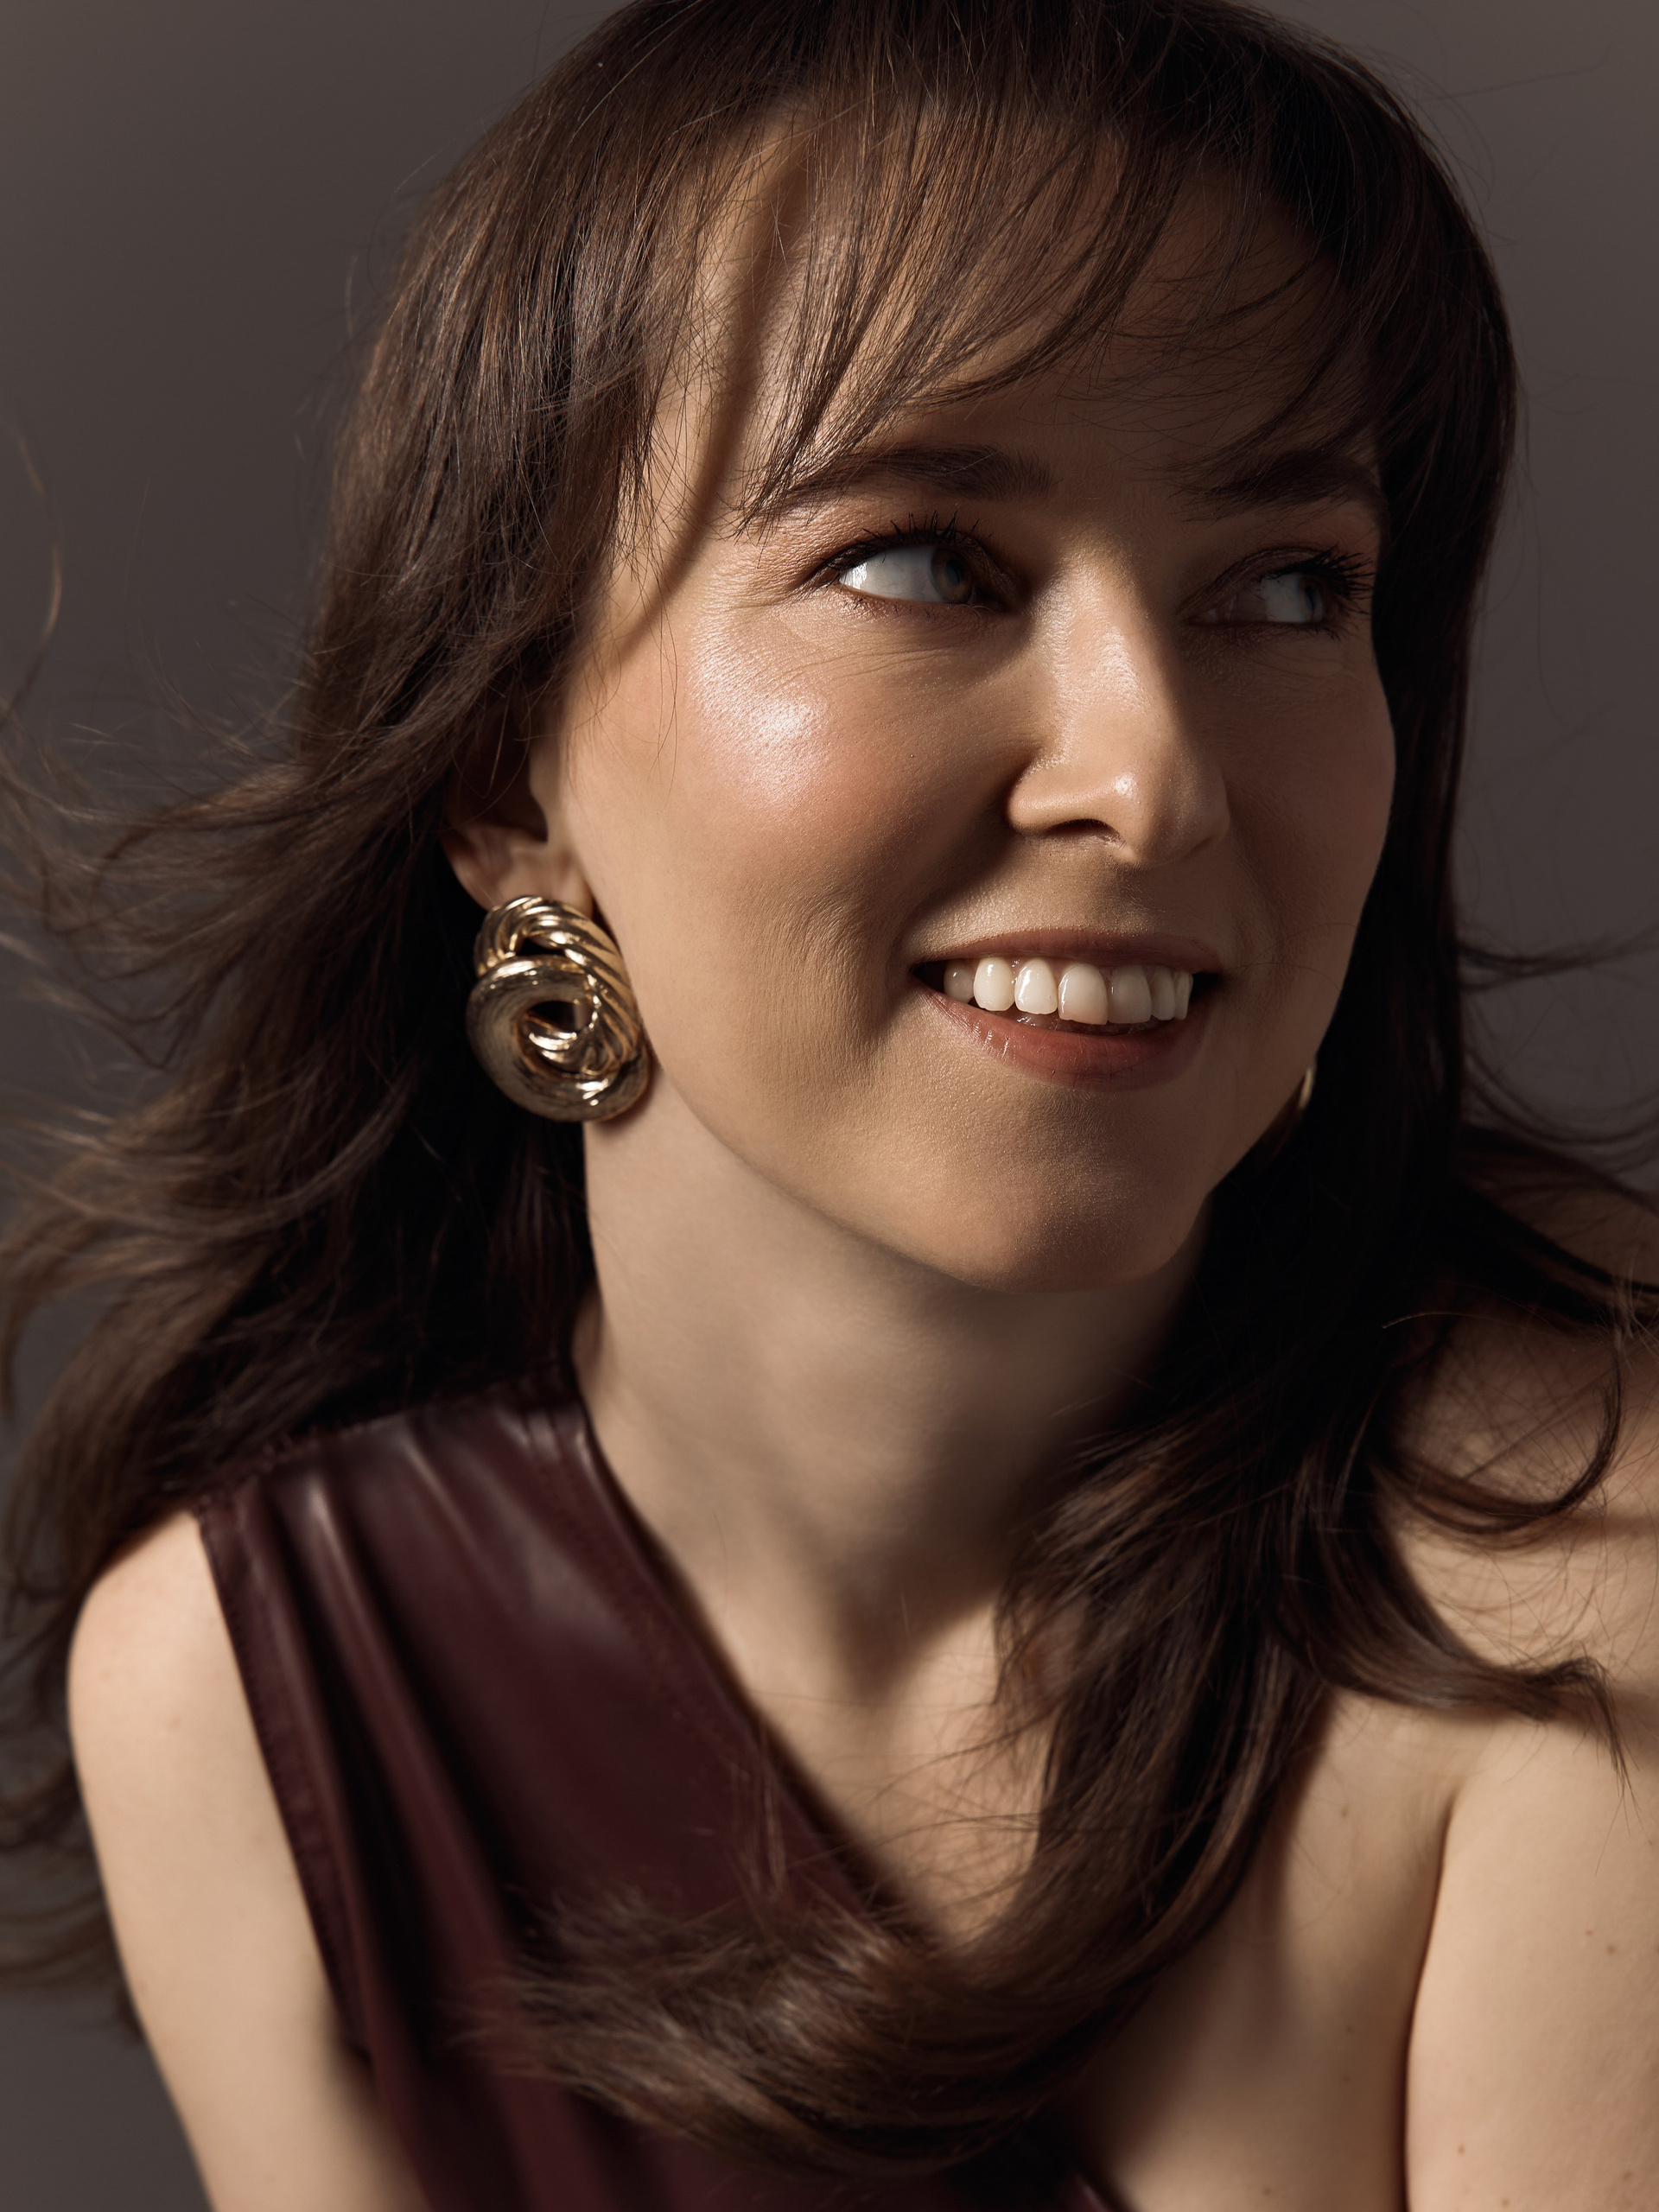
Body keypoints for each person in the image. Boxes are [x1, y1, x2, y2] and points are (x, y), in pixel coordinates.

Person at [3, 0, 1656, 2205]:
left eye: (1289, 587)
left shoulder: (1591, 1572)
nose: (1154, 774)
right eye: (926, 560)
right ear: (506, 767)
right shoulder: (246, 1689)